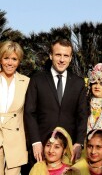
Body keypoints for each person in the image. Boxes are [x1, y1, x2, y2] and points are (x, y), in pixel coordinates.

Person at [24, 38, 88, 166]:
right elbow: (29, 112)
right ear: (51, 55)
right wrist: (35, 142)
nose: (62, 59)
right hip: (41, 148)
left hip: (68, 149)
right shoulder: (37, 80)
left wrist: (79, 142)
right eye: (58, 55)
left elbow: (82, 114)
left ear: (70, 58)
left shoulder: (78, 83)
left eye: (66, 56)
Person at [0, 41, 30, 175]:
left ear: (19, 61)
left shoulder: (26, 82)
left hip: (16, 139)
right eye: (6, 58)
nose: (10, 62)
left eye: (14, 59)